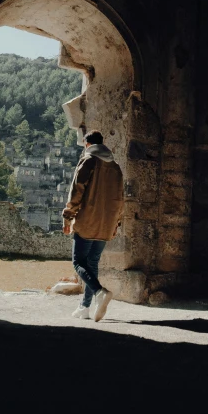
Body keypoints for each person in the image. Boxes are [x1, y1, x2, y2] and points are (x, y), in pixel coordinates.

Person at [62, 130, 124, 322]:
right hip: (106, 224)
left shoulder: (88, 160)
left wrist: (68, 216)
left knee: (78, 262)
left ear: (87, 144)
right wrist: (116, 223)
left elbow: (77, 190)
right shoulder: (115, 167)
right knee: (92, 263)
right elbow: (121, 199)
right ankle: (85, 307)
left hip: (88, 221)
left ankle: (99, 292)